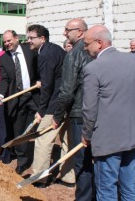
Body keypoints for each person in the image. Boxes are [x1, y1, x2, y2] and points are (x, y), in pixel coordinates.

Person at [82, 24, 135, 201]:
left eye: (86, 43)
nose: (84, 48)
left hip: (108, 138)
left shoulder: (93, 68)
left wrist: (86, 134)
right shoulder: (133, 60)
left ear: (99, 43)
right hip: (133, 133)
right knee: (130, 187)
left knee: (107, 189)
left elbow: (89, 109)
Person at [51, 18, 95, 199]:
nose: (64, 33)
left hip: (79, 115)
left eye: (67, 30)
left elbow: (67, 90)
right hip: (97, 113)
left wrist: (57, 115)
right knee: (97, 160)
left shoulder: (74, 54)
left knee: (82, 161)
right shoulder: (96, 52)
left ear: (80, 32)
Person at [26, 24, 66, 185]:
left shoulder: (46, 54)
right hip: (66, 101)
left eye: (31, 38)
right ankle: (68, 177)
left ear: (42, 38)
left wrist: (41, 110)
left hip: (54, 104)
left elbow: (48, 86)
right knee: (66, 141)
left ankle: (40, 178)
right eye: (27, 37)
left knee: (43, 140)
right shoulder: (56, 49)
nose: (28, 40)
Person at [0, 30, 40, 173]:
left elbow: (39, 66)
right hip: (17, 98)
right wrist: (0, 95)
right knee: (19, 131)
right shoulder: (3, 59)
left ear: (16, 38)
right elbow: (4, 80)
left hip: (34, 95)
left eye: (9, 40)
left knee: (36, 129)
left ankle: (38, 160)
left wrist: (41, 79)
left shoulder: (30, 49)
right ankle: (22, 161)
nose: (7, 43)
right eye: (5, 42)